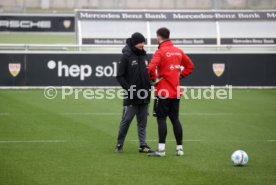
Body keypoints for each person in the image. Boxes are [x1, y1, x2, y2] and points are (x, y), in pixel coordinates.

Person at [147, 27, 194, 157]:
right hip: (176, 91)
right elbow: (190, 66)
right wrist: (180, 76)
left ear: (158, 37)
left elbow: (151, 68)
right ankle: (180, 149)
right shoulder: (178, 51)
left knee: (161, 119)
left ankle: (161, 150)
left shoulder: (160, 52)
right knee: (175, 120)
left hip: (163, 91)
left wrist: (153, 79)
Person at [115, 32, 153, 153]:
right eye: (140, 42)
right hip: (131, 96)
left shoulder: (145, 56)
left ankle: (143, 145)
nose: (142, 45)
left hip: (145, 95)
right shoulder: (126, 56)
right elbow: (119, 76)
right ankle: (119, 144)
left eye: (143, 42)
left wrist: (151, 82)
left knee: (142, 123)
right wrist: (129, 89)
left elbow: (147, 74)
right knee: (126, 122)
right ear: (134, 43)